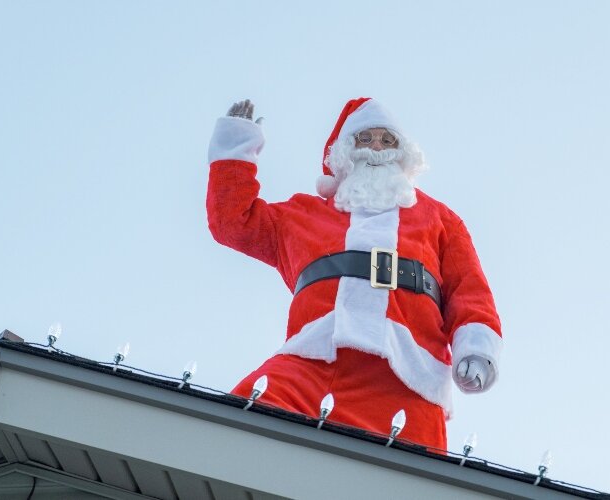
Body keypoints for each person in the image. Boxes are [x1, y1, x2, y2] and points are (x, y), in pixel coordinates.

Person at [206, 97, 502, 450]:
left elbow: (469, 290)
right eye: (366, 139)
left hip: (408, 375)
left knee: (416, 480)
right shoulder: (302, 214)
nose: (377, 148)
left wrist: (476, 350)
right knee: (239, 427)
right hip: (312, 363)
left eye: (387, 140)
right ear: (345, 151)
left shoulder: (440, 220)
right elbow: (233, 222)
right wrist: (235, 149)